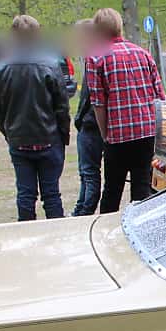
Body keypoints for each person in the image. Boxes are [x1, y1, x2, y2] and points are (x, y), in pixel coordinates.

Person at [0, 14, 72, 220]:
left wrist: (9, 133)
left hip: (20, 139)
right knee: (51, 194)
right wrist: (63, 135)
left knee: (25, 194)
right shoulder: (50, 64)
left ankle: (26, 234)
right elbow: (62, 106)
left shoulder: (0, 67)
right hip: (48, 139)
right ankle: (55, 235)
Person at [86, 6, 165, 212]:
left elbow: (98, 102)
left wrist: (105, 135)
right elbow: (159, 96)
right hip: (145, 132)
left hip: (118, 135)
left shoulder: (96, 58)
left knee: (112, 189)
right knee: (142, 188)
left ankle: (105, 231)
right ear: (119, 27)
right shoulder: (143, 54)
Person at [68, 18, 105, 216]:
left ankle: (85, 211)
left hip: (92, 126)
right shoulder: (92, 57)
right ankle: (80, 209)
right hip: (89, 125)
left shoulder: (95, 59)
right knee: (86, 173)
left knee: (90, 174)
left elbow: (92, 98)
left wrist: (80, 119)